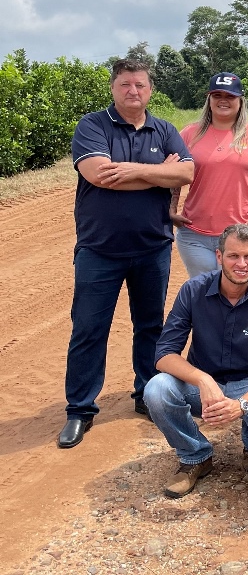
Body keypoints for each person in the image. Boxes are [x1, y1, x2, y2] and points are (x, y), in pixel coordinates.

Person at [58, 58, 194, 449]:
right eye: (125, 85)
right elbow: (100, 175)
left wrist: (133, 171)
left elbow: (186, 174)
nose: (133, 91)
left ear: (150, 90)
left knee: (151, 326)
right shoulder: (92, 126)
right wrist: (157, 171)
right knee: (88, 329)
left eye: (140, 85)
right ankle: (80, 410)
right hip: (99, 250)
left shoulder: (164, 128)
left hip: (153, 247)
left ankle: (146, 396)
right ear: (114, 88)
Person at [144, 224, 248, 498]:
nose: (242, 264)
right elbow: (164, 354)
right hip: (204, 386)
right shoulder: (193, 291)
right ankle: (194, 456)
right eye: (234, 256)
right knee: (156, 389)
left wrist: (242, 404)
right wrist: (202, 379)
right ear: (219, 256)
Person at [170, 73, 248, 277]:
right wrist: (172, 207)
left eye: (230, 96)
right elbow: (174, 173)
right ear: (208, 100)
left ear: (240, 101)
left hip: (243, 232)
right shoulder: (189, 134)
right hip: (195, 235)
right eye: (217, 95)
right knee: (205, 293)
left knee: (239, 294)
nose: (223, 100)